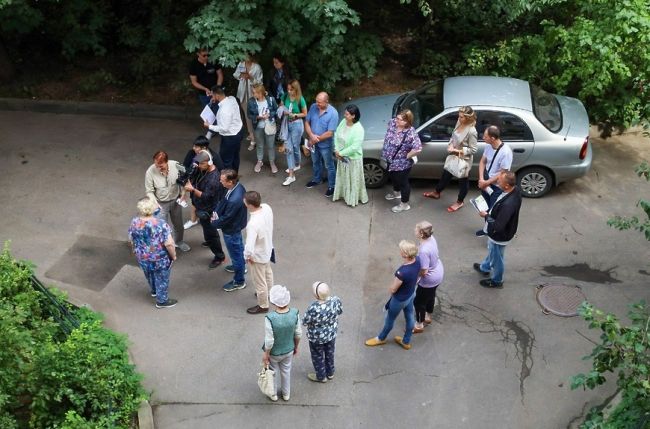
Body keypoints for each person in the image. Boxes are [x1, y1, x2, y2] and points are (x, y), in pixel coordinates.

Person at [365, 240, 421, 350]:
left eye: (401, 250)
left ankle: (381, 338)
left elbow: (393, 289)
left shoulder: (402, 272)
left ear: (405, 254)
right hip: (411, 294)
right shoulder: (417, 260)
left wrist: (390, 289)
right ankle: (406, 341)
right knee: (410, 316)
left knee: (389, 319)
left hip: (399, 300)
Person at [423, 106, 478, 212]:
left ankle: (459, 202)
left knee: (463, 182)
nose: (459, 118)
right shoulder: (459, 122)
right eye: (459, 116)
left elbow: (473, 150)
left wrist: (457, 151)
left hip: (463, 160)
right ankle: (436, 192)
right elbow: (454, 136)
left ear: (468, 118)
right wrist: (450, 145)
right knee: (446, 175)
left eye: (462, 117)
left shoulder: (472, 131)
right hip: (453, 156)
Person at [474, 170, 522, 288]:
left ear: (506, 185)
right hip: (504, 232)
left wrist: (485, 215)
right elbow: (499, 195)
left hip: (499, 235)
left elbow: (498, 226)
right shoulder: (514, 190)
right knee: (493, 251)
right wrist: (488, 189)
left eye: (499, 180)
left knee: (497, 259)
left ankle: (497, 280)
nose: (496, 181)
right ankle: (484, 267)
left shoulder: (508, 205)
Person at [128, 197, 177, 309]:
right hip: (159, 258)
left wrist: (135, 251)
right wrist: (173, 256)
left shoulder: (135, 222)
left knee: (149, 274)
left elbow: (131, 238)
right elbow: (169, 243)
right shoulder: (161, 224)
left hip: (142, 256)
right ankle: (162, 301)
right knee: (162, 278)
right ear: (153, 209)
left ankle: (154, 290)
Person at [184, 150, 226, 270]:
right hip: (202, 207)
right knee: (207, 230)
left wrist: (192, 189)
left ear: (208, 162)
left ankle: (219, 256)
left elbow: (206, 196)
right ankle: (209, 241)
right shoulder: (204, 170)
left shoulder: (213, 178)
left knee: (211, 233)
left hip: (209, 210)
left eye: (201, 164)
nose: (199, 166)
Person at [144, 151, 191, 252]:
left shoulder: (176, 165)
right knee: (161, 228)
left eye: (160, 165)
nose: (157, 167)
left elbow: (185, 180)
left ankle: (179, 241)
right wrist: (155, 203)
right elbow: (149, 191)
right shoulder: (150, 171)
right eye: (156, 164)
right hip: (160, 203)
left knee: (178, 224)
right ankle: (163, 248)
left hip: (175, 200)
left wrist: (183, 193)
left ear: (167, 162)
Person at [262, 285, 302, 402]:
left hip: (274, 352)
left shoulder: (270, 318)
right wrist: (296, 346)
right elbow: (298, 333)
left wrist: (266, 354)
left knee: (272, 372)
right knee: (286, 371)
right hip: (289, 349)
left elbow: (269, 340)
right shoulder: (295, 313)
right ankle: (286, 393)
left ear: (274, 302)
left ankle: (273, 394)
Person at [211, 169, 247, 292]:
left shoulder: (234, 199)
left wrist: (215, 223)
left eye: (222, 181)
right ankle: (241, 267)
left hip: (231, 229)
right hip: (236, 225)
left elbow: (227, 217)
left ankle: (239, 281)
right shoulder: (238, 187)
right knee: (239, 249)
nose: (220, 182)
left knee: (236, 254)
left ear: (230, 182)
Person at [382, 109, 422, 213]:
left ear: (407, 122)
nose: (396, 120)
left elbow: (418, 148)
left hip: (402, 164)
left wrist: (407, 155)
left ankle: (404, 204)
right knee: (394, 178)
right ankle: (396, 193)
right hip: (390, 161)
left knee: (403, 183)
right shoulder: (392, 123)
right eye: (397, 118)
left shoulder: (410, 132)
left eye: (399, 119)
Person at [302, 281, 343, 383]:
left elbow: (305, 321)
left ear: (316, 295)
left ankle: (321, 376)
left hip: (316, 338)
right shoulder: (335, 301)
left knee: (317, 355)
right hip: (331, 334)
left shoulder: (313, 308)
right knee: (330, 353)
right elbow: (340, 311)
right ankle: (330, 372)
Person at [182, 136, 225, 231]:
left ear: (204, 148)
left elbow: (222, 172)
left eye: (197, 147)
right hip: (197, 182)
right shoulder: (192, 153)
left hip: (210, 187)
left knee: (212, 206)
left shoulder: (214, 158)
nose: (194, 148)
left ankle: (215, 223)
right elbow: (185, 166)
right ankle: (193, 220)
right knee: (194, 201)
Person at [243, 191, 274, 314]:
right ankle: (271, 293)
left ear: (249, 205)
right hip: (268, 248)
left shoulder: (252, 224)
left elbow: (249, 245)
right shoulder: (266, 208)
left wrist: (247, 256)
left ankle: (263, 305)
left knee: (259, 282)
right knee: (268, 273)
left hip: (258, 255)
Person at [332, 104, 368, 206]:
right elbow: (336, 135)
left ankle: (352, 199)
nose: (344, 115)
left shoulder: (359, 129)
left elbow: (355, 147)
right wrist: (336, 150)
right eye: (345, 113)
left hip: (352, 159)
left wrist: (341, 153)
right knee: (343, 177)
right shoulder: (344, 122)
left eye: (347, 114)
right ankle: (344, 194)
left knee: (353, 179)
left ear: (353, 116)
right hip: (341, 157)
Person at [304, 92, 339, 197]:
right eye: (316, 101)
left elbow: (330, 133)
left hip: (326, 145)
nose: (317, 104)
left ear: (326, 101)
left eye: (319, 102)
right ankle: (317, 179)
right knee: (315, 162)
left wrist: (314, 139)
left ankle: (332, 186)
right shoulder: (314, 107)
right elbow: (307, 122)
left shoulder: (333, 113)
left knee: (329, 165)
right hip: (314, 142)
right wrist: (310, 135)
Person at [204, 86, 244, 172]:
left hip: (230, 137)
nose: (211, 97)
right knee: (235, 156)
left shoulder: (224, 111)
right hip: (239, 132)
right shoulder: (232, 99)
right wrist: (214, 101)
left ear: (217, 96)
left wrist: (209, 126)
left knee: (225, 160)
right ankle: (235, 175)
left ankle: (227, 180)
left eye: (212, 95)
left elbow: (224, 128)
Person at [413, 221, 443, 333]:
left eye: (416, 229)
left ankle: (419, 325)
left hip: (430, 278)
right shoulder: (431, 238)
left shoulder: (424, 251)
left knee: (419, 302)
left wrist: (415, 279)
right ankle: (428, 316)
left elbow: (424, 271)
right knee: (430, 296)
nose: (414, 230)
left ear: (421, 234)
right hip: (438, 271)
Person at [280, 79, 307, 186]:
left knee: (294, 147)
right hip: (287, 124)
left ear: (296, 89)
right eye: (288, 89)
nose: (289, 91)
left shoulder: (300, 99)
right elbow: (281, 105)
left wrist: (295, 115)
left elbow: (305, 113)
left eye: (291, 89)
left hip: (297, 124)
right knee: (289, 148)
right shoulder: (285, 96)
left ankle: (297, 164)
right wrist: (282, 109)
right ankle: (292, 175)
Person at [478, 125, 513, 209]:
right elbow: (482, 162)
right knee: (485, 207)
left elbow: (502, 173)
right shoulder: (488, 146)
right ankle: (486, 222)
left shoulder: (506, 152)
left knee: (493, 210)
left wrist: (486, 183)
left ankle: (491, 222)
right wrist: (482, 179)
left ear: (492, 138)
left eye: (485, 136)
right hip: (486, 181)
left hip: (497, 186)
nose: (483, 138)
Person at [247, 83, 279, 174]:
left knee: (271, 145)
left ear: (261, 93)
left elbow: (276, 111)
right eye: (253, 93)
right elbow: (249, 115)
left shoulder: (271, 100)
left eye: (255, 93)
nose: (254, 95)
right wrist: (257, 117)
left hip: (269, 125)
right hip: (258, 126)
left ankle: (272, 162)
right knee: (260, 145)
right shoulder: (251, 101)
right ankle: (259, 161)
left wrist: (269, 114)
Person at [233, 55, 263, 151]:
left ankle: (254, 138)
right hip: (242, 94)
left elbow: (260, 83)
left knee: (253, 117)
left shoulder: (256, 67)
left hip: (253, 95)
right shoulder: (241, 64)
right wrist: (241, 75)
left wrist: (250, 77)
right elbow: (235, 74)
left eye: (247, 55)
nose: (246, 57)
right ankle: (252, 135)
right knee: (247, 117)